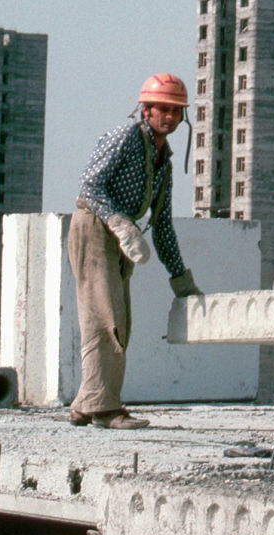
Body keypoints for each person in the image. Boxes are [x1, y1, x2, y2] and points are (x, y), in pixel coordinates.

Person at [68, 72, 203, 429]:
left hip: (121, 235)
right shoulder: (126, 137)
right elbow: (90, 184)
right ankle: (105, 409)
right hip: (95, 227)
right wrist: (117, 221)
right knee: (105, 317)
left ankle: (86, 402)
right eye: (163, 109)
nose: (170, 117)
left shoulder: (164, 161)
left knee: (120, 320)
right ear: (146, 110)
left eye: (176, 111)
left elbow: (163, 225)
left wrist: (182, 282)